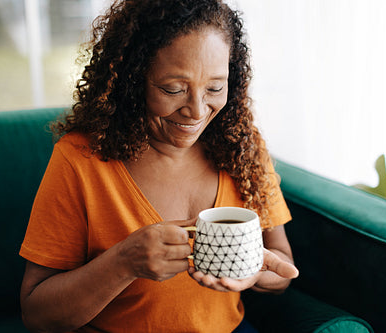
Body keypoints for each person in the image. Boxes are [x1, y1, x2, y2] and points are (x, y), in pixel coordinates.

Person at [19, 0, 299, 332]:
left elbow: (280, 264)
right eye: (173, 89)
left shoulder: (242, 145)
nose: (196, 111)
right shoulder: (80, 159)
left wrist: (252, 272)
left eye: (214, 88)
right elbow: (37, 314)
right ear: (133, 79)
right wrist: (124, 262)